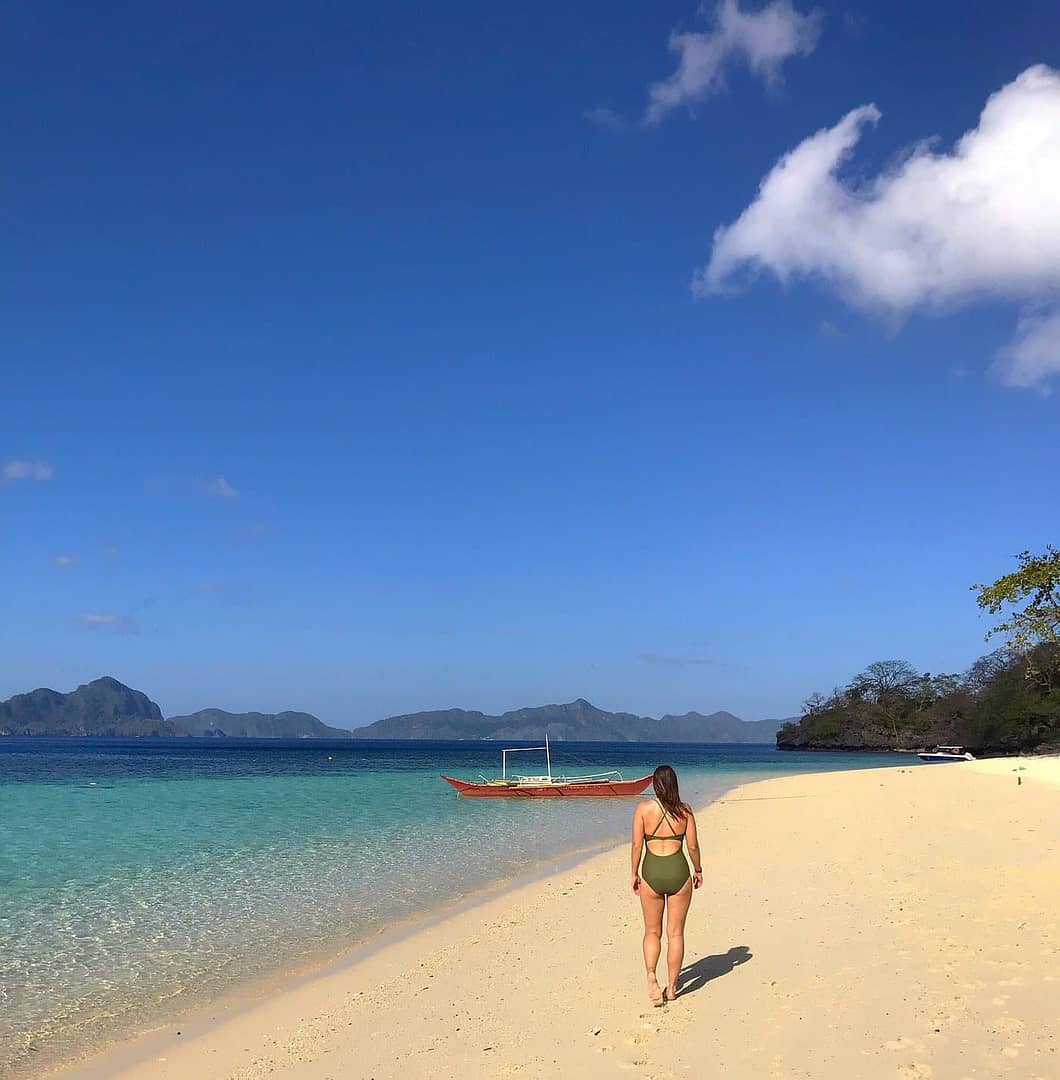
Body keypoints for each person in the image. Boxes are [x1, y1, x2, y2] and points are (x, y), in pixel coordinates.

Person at [630, 765, 702, 1005]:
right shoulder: (685, 811)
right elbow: (692, 846)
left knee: (652, 932)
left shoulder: (643, 809)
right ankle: (672, 988)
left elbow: (637, 846)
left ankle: (651, 976)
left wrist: (634, 873)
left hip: (652, 872)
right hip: (678, 871)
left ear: (655, 785)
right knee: (676, 933)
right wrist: (698, 870)